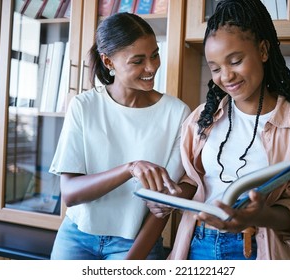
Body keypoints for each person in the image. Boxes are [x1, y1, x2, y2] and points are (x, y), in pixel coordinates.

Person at [166, 0, 290, 260]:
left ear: (262, 50)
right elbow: (195, 181)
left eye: (235, 61)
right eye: (215, 68)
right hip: (197, 245)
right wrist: (168, 196)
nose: (226, 76)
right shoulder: (202, 118)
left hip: (258, 249)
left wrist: (262, 215)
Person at [49, 12, 190, 260]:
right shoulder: (84, 106)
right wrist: (130, 168)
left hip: (135, 241)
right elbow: (70, 193)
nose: (151, 67)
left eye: (155, 55)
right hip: (75, 237)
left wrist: (131, 262)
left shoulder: (177, 113)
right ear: (108, 61)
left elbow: (162, 208)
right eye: (138, 61)